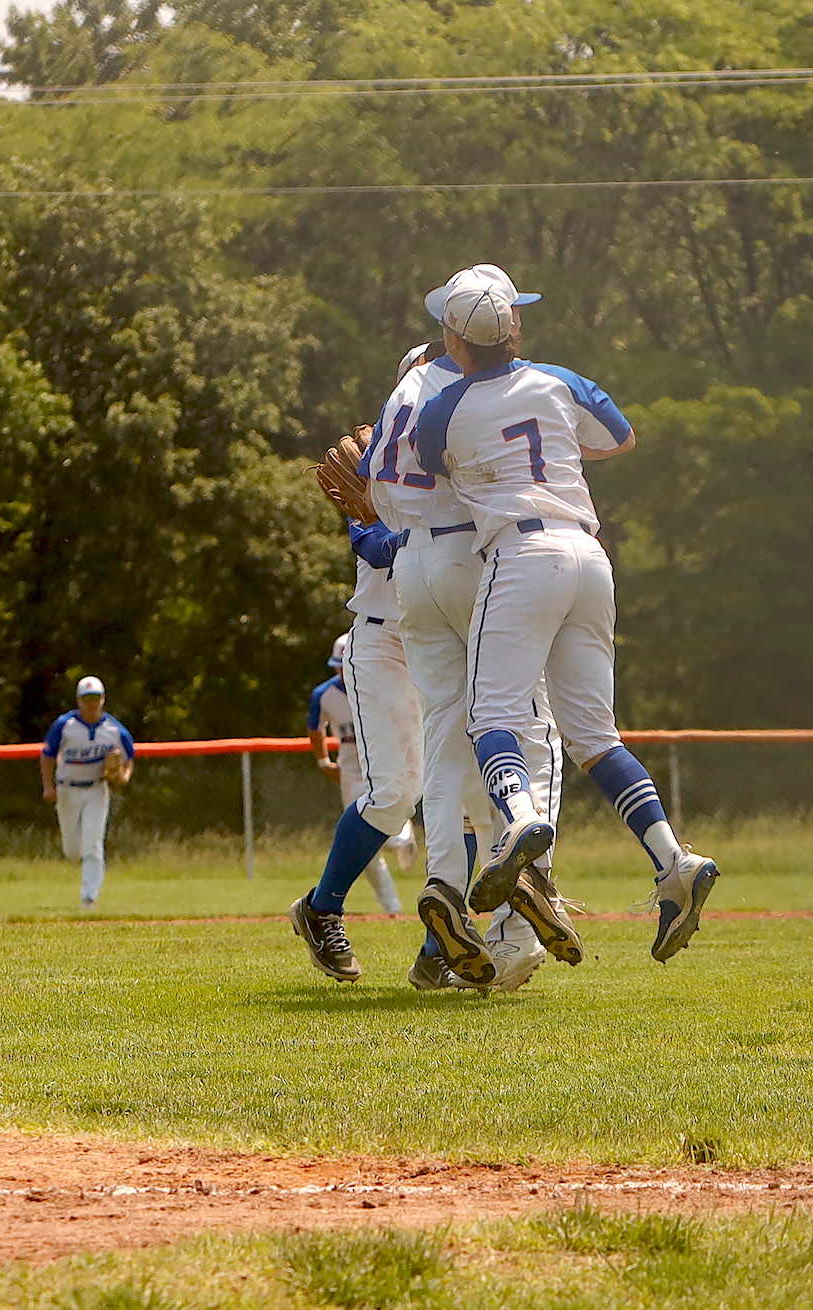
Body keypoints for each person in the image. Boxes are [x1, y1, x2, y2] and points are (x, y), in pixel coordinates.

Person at [413, 266, 719, 962]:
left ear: (453, 339)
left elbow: (436, 471)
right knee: (594, 738)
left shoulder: (444, 407)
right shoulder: (560, 381)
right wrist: (556, 448)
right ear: (515, 328)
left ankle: (519, 818)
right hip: (588, 555)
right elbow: (621, 437)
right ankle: (673, 862)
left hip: (520, 556)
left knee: (490, 716)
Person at [363, 318, 572, 993]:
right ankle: (523, 914)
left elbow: (373, 492)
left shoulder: (399, 396)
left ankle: (445, 887)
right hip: (472, 559)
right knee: (529, 723)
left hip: (412, 568)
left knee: (445, 735)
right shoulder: (470, 392)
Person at [286, 455, 426, 982]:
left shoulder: (464, 458)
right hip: (385, 642)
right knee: (394, 793)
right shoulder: (373, 470)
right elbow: (374, 546)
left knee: (461, 794)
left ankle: (442, 946)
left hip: (445, 637)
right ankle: (322, 908)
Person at [308, 632, 408, 917]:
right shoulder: (324, 694)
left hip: (384, 763)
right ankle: (391, 907)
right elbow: (315, 728)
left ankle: (403, 838)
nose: (344, 671)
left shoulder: (383, 687)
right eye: (339, 666)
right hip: (351, 769)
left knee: (387, 824)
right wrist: (323, 761)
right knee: (362, 841)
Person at [39, 675, 133, 910]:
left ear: (103, 699)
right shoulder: (64, 725)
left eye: (95, 698)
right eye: (86, 698)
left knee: (93, 845)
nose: (91, 703)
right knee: (72, 851)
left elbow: (129, 757)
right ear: (79, 700)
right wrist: (48, 786)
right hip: (67, 789)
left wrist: (123, 776)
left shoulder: (114, 729)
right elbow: (47, 756)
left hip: (96, 790)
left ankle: (88, 899)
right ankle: (86, 884)